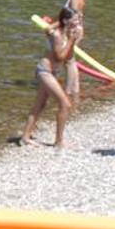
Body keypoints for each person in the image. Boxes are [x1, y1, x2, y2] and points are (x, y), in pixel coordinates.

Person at [20, 9, 80, 148]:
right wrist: (71, 40)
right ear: (66, 21)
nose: (78, 23)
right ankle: (59, 142)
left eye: (78, 19)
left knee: (40, 105)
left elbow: (68, 57)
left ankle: (25, 137)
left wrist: (73, 39)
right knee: (65, 104)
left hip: (52, 73)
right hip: (44, 72)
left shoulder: (66, 33)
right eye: (75, 20)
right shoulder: (58, 35)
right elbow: (59, 56)